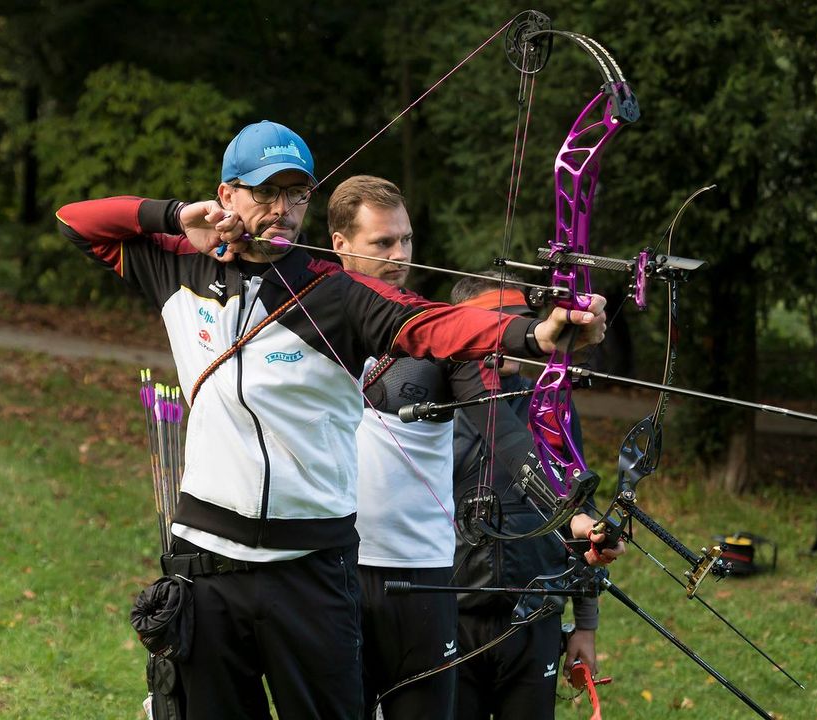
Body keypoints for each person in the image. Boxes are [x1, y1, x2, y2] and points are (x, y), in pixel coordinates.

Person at [56, 121, 608, 720]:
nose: (283, 209)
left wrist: (537, 332)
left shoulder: (336, 294)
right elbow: (77, 221)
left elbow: (433, 325)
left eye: (297, 195)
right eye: (266, 193)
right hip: (206, 566)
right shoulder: (176, 269)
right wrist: (171, 216)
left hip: (311, 571)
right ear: (227, 196)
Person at [327, 175, 621, 719]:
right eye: (383, 243)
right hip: (329, 564)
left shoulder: (434, 335)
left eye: (406, 241)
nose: (399, 255)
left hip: (427, 581)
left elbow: (506, 435)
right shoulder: (302, 316)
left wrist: (574, 519)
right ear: (340, 244)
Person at [450, 272, 604, 719]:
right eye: (492, 328)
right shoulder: (434, 411)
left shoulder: (549, 406)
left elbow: (581, 514)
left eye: (516, 327)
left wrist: (586, 626)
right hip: (450, 614)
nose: (507, 340)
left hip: (534, 614)